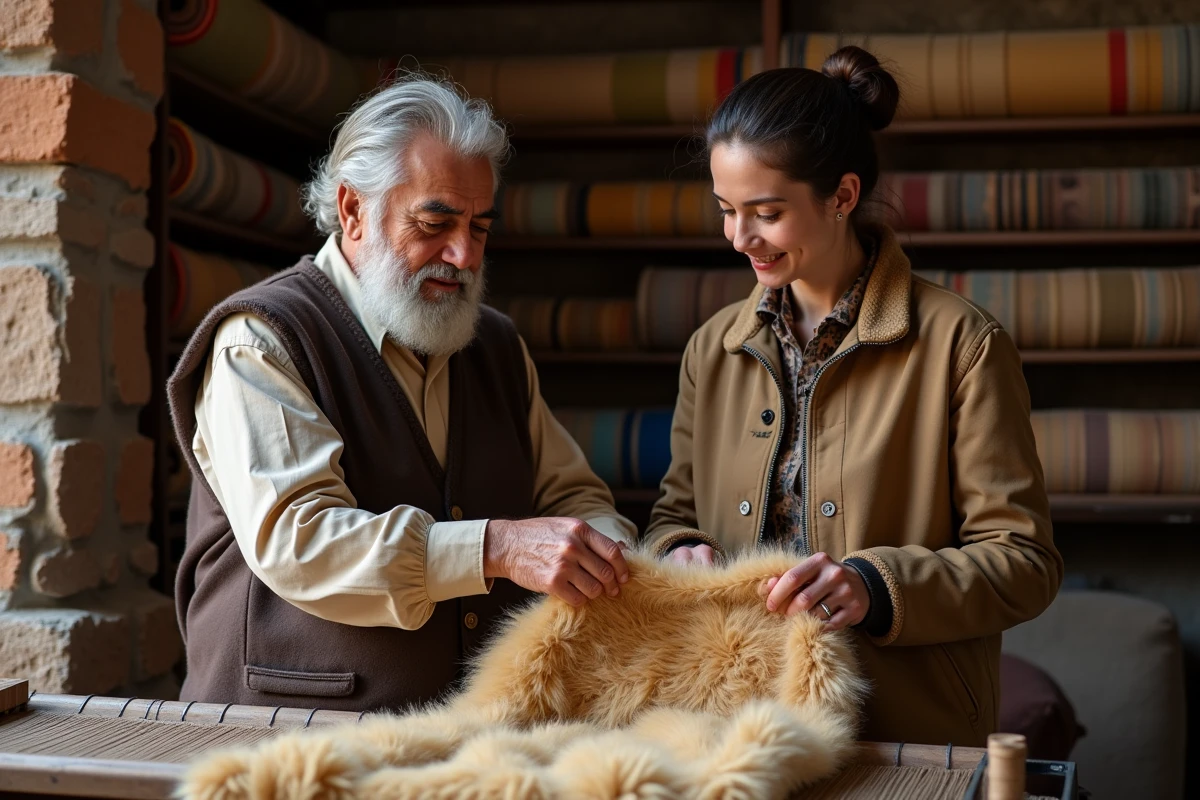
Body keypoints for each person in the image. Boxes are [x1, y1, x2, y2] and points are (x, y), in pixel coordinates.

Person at [167, 78, 635, 710]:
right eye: (435, 222)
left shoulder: (496, 347)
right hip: (282, 740)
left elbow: (572, 496)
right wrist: (495, 548)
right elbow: (301, 540)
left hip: (464, 744)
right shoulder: (260, 341)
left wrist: (623, 567)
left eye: (479, 226)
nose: (464, 253)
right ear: (354, 210)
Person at [643, 47, 1063, 746]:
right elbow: (672, 514)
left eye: (766, 212)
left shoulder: (963, 345)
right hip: (731, 732)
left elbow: (1024, 564)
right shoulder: (711, 349)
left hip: (904, 734)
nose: (739, 237)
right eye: (725, 210)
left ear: (840, 196)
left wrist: (873, 586)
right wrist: (680, 547)